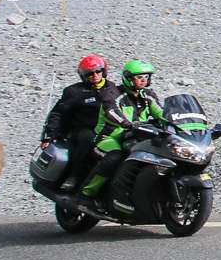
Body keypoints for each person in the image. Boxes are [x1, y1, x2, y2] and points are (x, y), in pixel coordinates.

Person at [78, 59, 166, 205]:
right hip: (110, 138)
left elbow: (161, 112)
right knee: (114, 158)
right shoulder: (113, 93)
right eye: (139, 77)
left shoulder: (148, 95)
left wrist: (179, 123)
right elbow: (111, 110)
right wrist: (126, 123)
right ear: (129, 78)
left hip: (138, 138)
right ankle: (86, 193)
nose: (143, 80)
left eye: (146, 77)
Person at [40, 55, 113, 192]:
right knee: (87, 139)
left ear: (104, 71)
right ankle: (74, 176)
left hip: (109, 129)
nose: (95, 76)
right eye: (90, 74)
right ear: (83, 76)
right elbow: (57, 114)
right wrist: (49, 135)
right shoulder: (74, 92)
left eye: (98, 71)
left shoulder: (113, 88)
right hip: (83, 129)